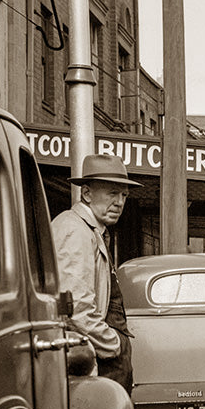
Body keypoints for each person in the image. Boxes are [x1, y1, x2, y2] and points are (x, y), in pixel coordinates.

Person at [51, 154, 140, 394]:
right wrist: (113, 345)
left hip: (100, 354)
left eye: (124, 195)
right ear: (87, 194)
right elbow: (75, 308)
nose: (120, 202)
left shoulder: (90, 231)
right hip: (97, 358)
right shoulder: (74, 230)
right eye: (112, 193)